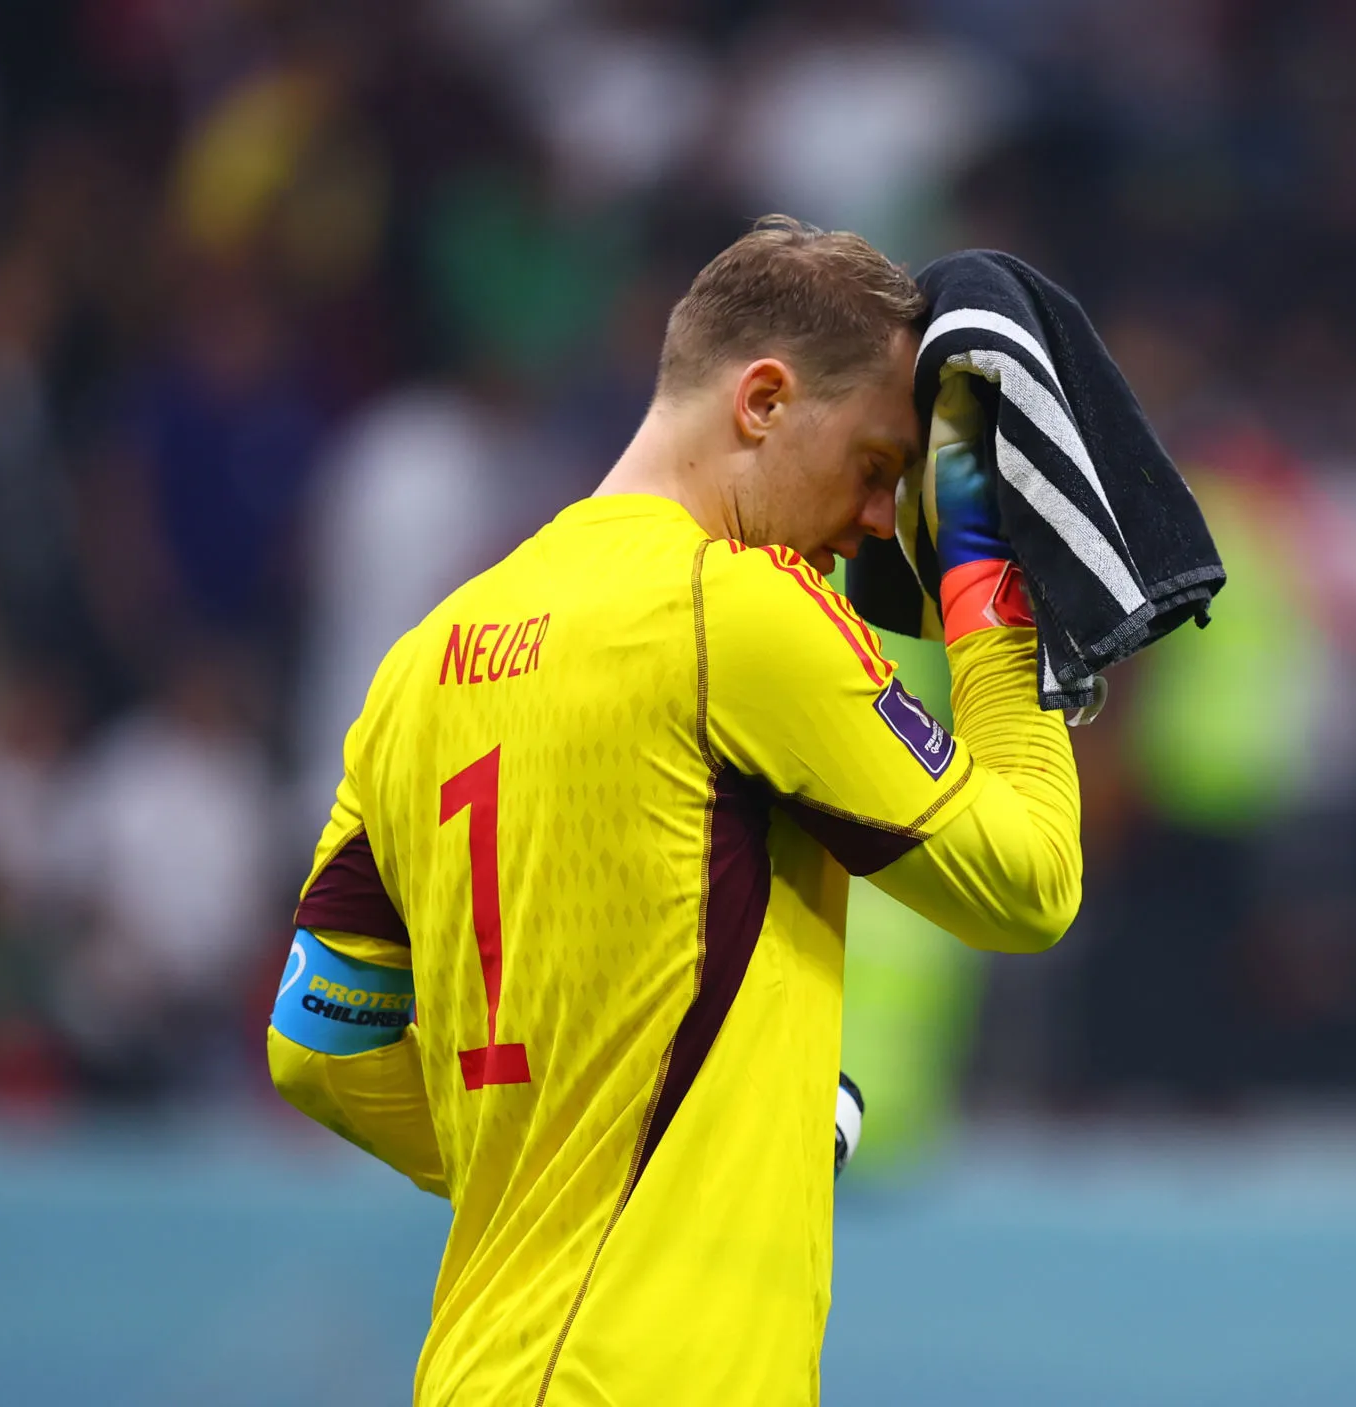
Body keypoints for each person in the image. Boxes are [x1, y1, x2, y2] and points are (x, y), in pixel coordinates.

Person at [266, 215, 1081, 1405]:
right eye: (872, 466)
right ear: (761, 400)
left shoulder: (420, 665)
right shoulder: (733, 613)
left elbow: (319, 1049)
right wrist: (983, 572)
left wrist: (584, 1164)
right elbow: (1029, 882)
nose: (873, 522)